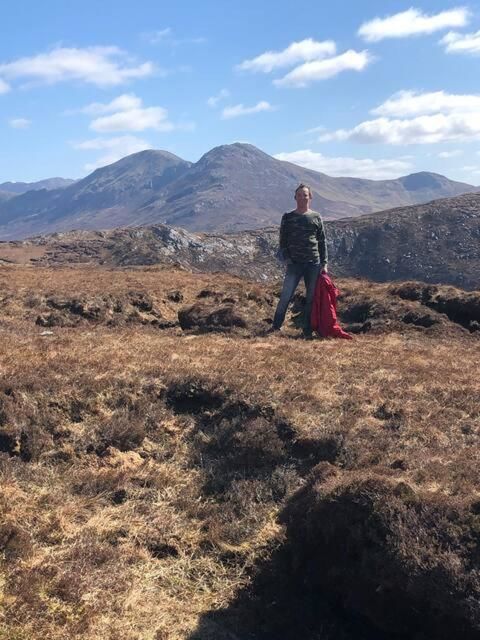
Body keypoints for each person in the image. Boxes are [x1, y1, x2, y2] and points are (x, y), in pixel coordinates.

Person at [270, 183, 328, 338]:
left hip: (313, 264)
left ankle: (307, 329)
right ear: (295, 197)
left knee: (311, 298)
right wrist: (287, 259)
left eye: (305, 195)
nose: (303, 197)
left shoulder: (316, 217)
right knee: (286, 296)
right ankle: (276, 326)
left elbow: (322, 241)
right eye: (300, 195)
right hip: (294, 264)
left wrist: (324, 263)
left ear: (310, 197)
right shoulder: (288, 217)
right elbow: (283, 240)